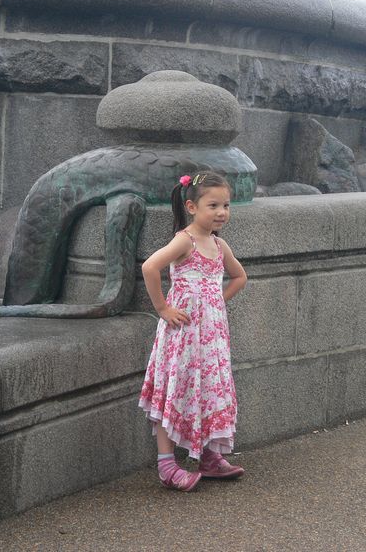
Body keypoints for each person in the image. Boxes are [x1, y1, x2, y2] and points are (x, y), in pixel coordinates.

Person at [139, 171, 248, 491]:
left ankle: (210, 456)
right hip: (183, 336)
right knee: (177, 390)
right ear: (191, 206)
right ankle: (167, 465)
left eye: (226, 205)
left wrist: (214, 302)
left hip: (211, 338)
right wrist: (163, 308)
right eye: (212, 205)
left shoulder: (219, 244)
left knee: (210, 390)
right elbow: (150, 267)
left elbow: (239, 277)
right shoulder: (184, 240)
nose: (221, 212)